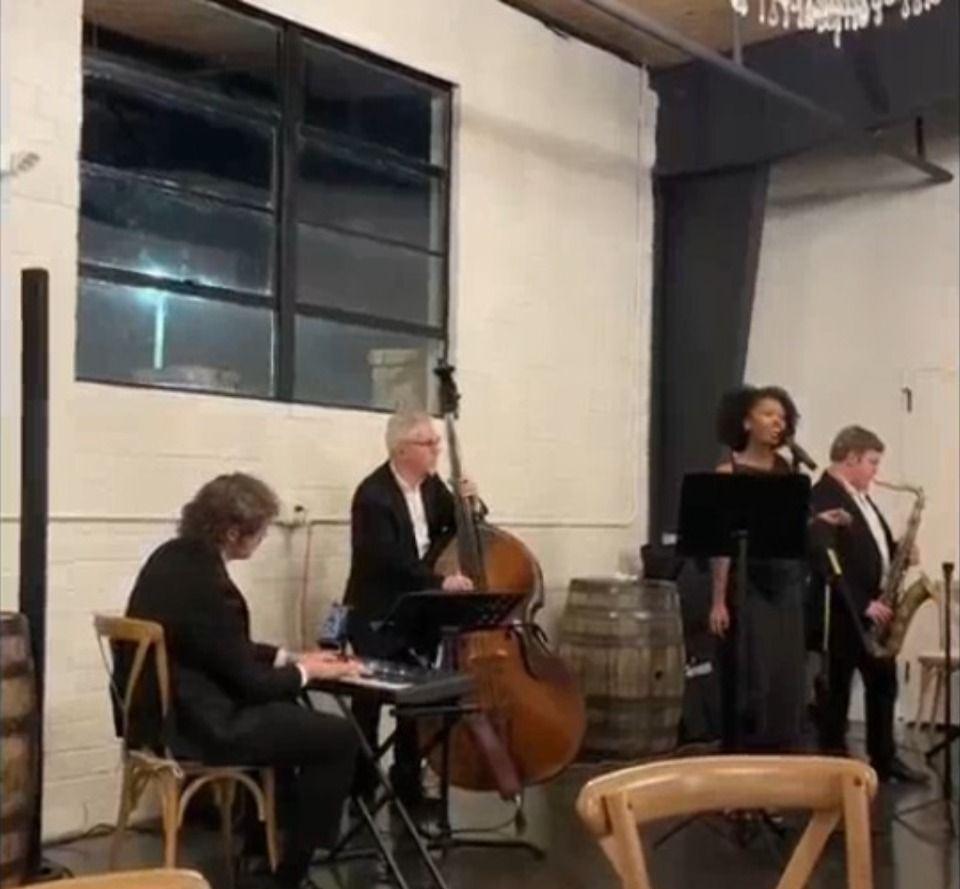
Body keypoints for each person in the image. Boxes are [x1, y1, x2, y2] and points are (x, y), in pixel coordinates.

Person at [119, 473, 362, 888]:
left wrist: (290, 657)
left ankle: (260, 848)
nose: (262, 539)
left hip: (156, 718)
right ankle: (291, 870)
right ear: (233, 532)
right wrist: (310, 672)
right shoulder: (211, 586)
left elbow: (218, 646)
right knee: (338, 736)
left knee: (288, 717)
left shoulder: (171, 559)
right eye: (261, 531)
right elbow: (251, 684)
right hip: (198, 727)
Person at [343, 409, 476, 807]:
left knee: (415, 700)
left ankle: (407, 780)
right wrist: (440, 582)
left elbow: (461, 526)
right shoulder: (373, 496)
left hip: (416, 610)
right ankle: (361, 786)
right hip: (377, 613)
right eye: (428, 443)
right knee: (369, 702)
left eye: (437, 442)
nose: (437, 450)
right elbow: (388, 561)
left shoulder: (432, 487)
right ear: (401, 450)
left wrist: (470, 503)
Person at [809, 426, 927, 783]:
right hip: (844, 612)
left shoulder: (861, 497)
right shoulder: (824, 495)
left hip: (875, 608)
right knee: (837, 691)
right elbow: (825, 557)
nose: (877, 471)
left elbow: (868, 544)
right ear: (851, 459)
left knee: (883, 684)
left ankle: (884, 757)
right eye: (872, 462)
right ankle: (834, 767)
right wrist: (862, 603)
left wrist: (898, 551)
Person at [708, 385, 813, 752]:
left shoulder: (788, 470)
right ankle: (744, 761)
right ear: (746, 422)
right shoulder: (729, 473)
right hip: (749, 584)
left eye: (782, 417)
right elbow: (720, 544)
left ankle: (781, 758)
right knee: (753, 677)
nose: (777, 422)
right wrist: (718, 600)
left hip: (787, 586)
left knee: (786, 678)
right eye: (768, 414)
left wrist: (818, 521)